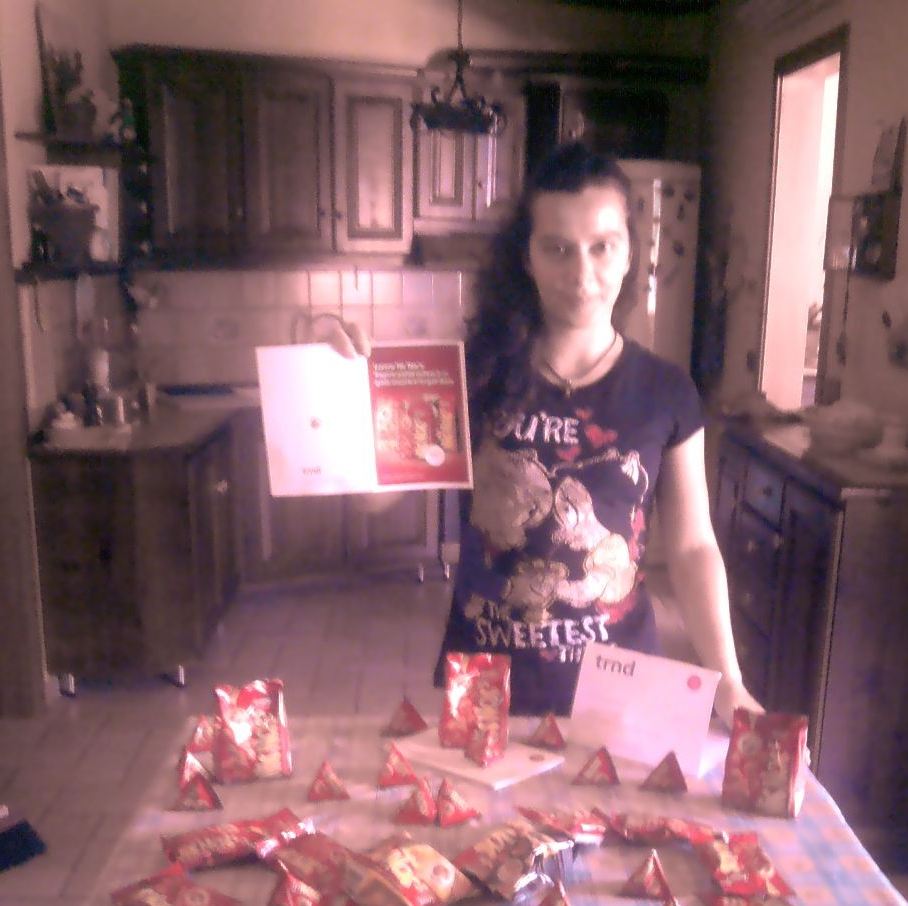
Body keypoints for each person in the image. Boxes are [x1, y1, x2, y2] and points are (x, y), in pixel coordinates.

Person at [316, 142, 761, 727]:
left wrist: (729, 679)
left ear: (630, 253)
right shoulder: (470, 374)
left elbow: (692, 546)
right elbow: (373, 502)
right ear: (526, 257)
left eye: (602, 246)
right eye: (557, 248)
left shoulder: (667, 391)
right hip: (485, 685)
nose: (582, 274)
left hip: (622, 688)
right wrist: (339, 384)